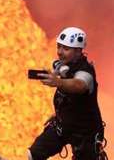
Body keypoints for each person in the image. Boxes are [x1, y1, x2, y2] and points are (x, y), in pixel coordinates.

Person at [28, 27, 108, 160]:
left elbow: (79, 85)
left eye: (65, 49)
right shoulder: (63, 66)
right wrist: (59, 113)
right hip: (63, 126)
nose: (59, 52)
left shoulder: (86, 72)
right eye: (58, 47)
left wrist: (58, 82)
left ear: (78, 51)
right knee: (34, 154)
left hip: (85, 133)